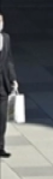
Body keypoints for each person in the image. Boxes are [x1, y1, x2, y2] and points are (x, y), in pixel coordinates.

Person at [0, 12, 17, 158]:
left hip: (2, 84)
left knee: (2, 117)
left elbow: (9, 60)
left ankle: (0, 146)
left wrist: (13, 79)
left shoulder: (5, 38)